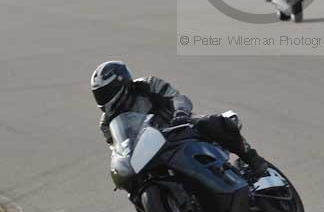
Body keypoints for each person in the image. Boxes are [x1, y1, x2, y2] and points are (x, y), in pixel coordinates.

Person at [91, 61, 269, 178]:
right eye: (99, 95)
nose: (103, 98)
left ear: (122, 83)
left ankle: (252, 159)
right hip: (147, 149)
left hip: (178, 129)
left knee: (213, 123)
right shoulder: (106, 123)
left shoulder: (147, 85)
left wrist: (180, 114)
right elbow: (117, 147)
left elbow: (177, 98)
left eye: (105, 92)